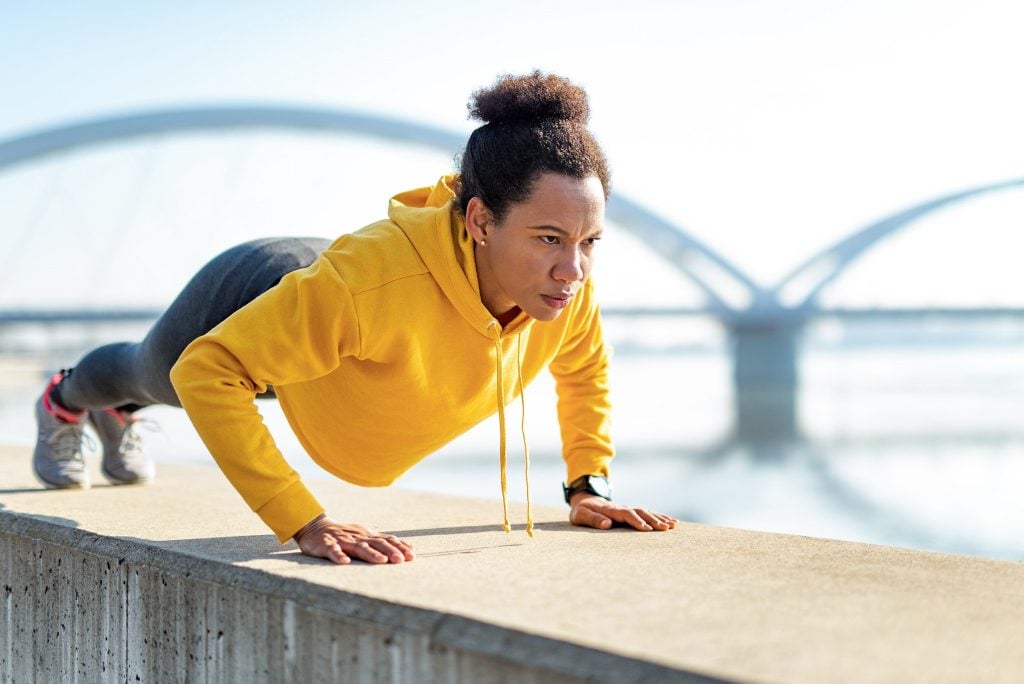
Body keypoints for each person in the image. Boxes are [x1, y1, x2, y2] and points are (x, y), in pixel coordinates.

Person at [32, 71, 679, 565]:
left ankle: (119, 419)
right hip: (258, 285)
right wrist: (302, 520)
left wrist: (586, 485)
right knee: (155, 373)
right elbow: (211, 368)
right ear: (481, 219)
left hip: (342, 322)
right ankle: (66, 401)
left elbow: (585, 367)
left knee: (162, 386)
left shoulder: (563, 291)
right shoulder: (365, 288)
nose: (574, 268)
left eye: (589, 240)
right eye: (548, 238)